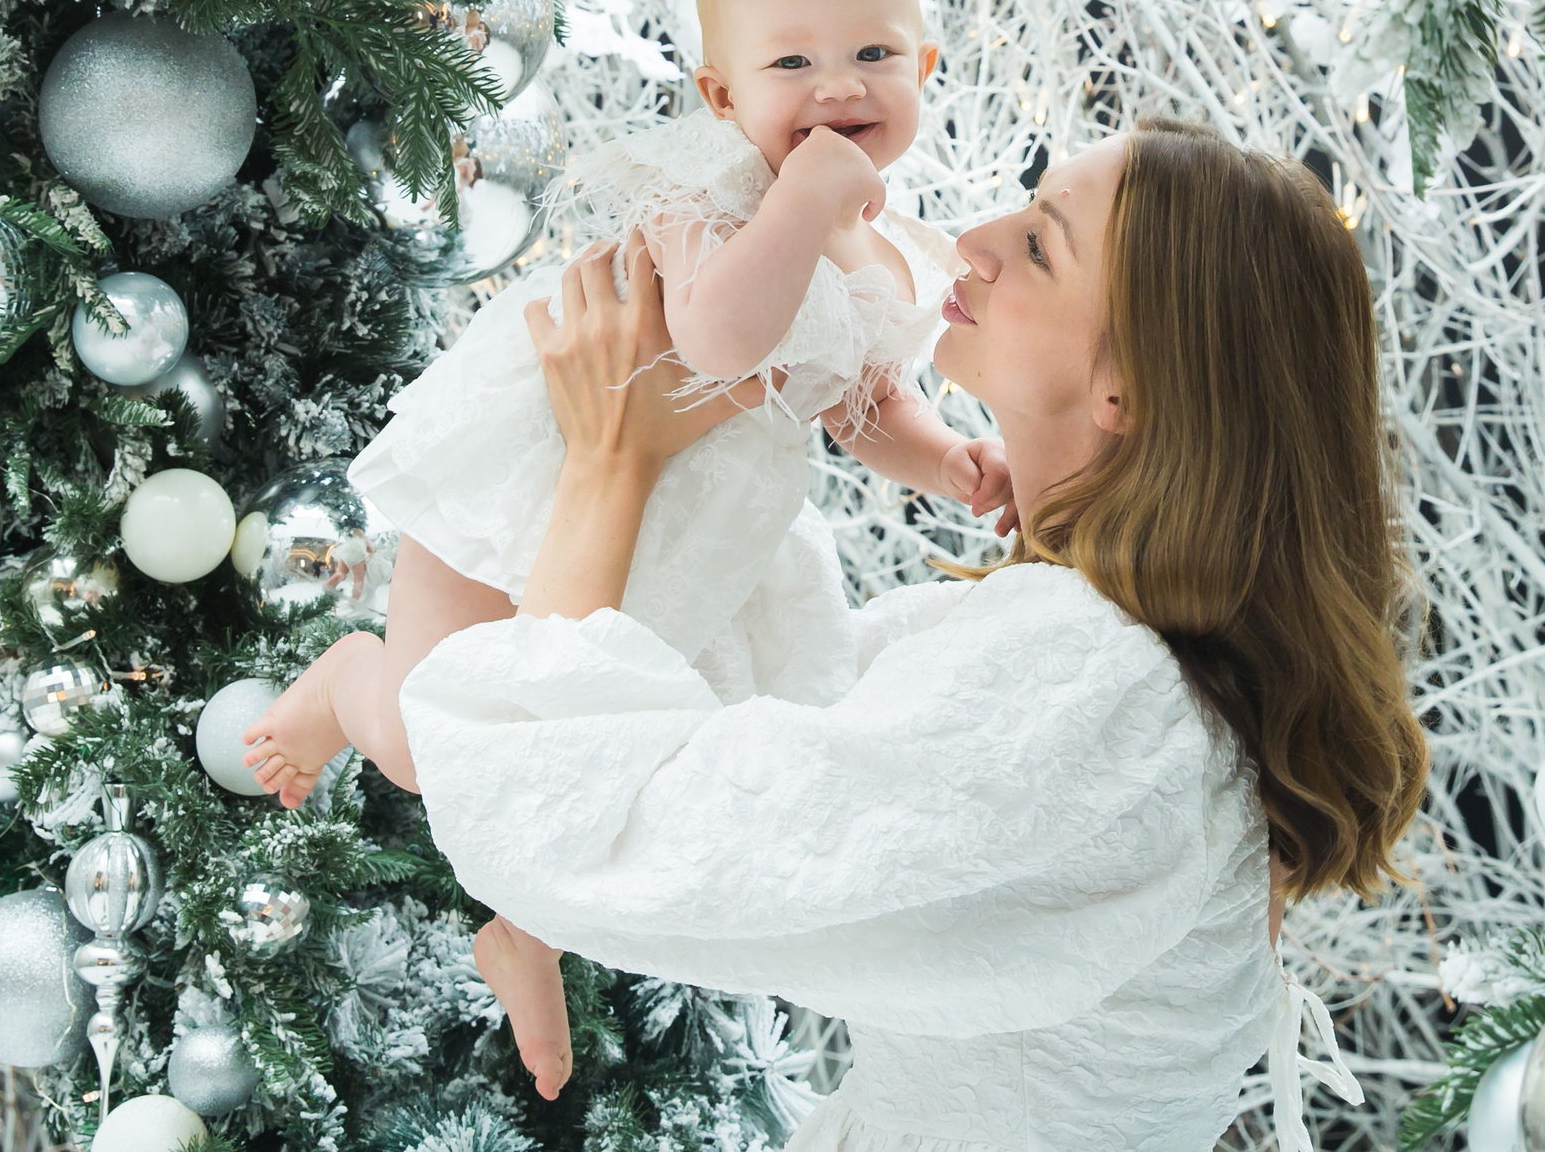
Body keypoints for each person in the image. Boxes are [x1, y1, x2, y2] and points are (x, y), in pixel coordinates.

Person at [397, 120, 1433, 1151]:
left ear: (1130, 385)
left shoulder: (1090, 689)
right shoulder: (1092, 662)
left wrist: (608, 460)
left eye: (1040, 244)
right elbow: (777, 707)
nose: (975, 239)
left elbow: (571, 821)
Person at [241, 0, 1011, 1097]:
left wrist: (948, 459)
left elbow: (860, 399)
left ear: (922, 66)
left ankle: (527, 933)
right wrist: (803, 204)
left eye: (871, 53)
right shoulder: (709, 187)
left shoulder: (889, 249)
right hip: (533, 472)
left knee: (592, 756)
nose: (835, 87)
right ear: (721, 95)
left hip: (697, 540)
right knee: (438, 740)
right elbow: (714, 336)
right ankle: (348, 682)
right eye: (791, 63)